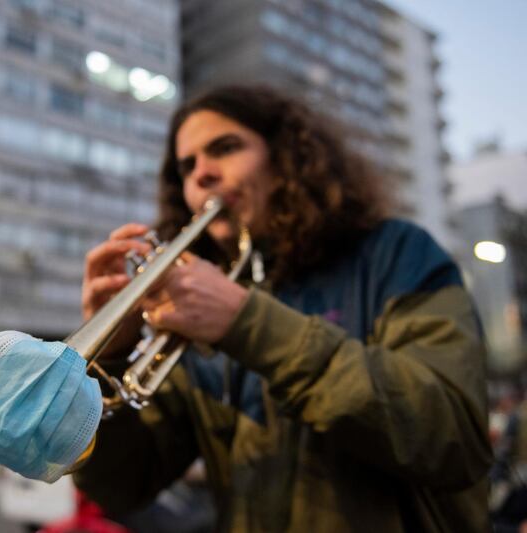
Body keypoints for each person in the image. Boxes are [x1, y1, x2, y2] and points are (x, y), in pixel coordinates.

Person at [71, 85, 492, 532]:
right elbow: (119, 487)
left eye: (226, 148)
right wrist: (109, 356)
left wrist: (247, 322)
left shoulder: (396, 252)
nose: (201, 175)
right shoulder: (196, 319)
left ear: (287, 159)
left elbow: (453, 437)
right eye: (186, 166)